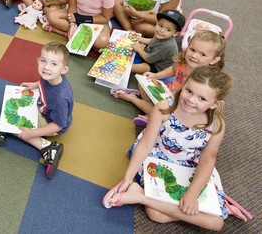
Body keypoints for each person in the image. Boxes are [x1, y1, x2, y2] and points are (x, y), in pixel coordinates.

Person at [103, 66, 249, 230]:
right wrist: (128, 177)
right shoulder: (165, 107)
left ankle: (141, 197)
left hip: (188, 164)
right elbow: (146, 144)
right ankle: (149, 200)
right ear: (184, 84)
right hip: (157, 156)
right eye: (189, 91)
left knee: (216, 224)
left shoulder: (216, 126)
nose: (191, 100)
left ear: (215, 104)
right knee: (155, 215)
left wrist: (192, 194)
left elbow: (208, 160)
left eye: (202, 99)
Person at [0, 42, 73, 180]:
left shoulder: (60, 99)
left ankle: (48, 147)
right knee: (14, 101)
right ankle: (1, 126)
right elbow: (44, 83)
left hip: (52, 124)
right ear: (38, 61)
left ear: (64, 69)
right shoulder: (50, 76)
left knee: (16, 123)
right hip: (45, 111)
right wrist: (35, 85)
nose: (46, 67)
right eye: (43, 61)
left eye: (54, 64)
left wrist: (32, 133)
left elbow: (58, 125)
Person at [113, 30, 226, 120]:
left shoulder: (206, 79)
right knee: (143, 81)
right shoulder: (184, 62)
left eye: (202, 54)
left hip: (181, 105)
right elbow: (172, 70)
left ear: (214, 59)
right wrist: (154, 76)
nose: (194, 56)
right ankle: (150, 109)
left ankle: (133, 99)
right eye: (192, 49)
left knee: (161, 113)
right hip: (168, 91)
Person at [132, 10, 184, 75]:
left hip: (159, 67)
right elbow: (152, 41)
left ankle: (127, 68)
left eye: (168, 30)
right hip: (154, 54)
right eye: (160, 26)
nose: (161, 30)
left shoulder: (166, 46)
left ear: (175, 33)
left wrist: (138, 49)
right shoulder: (162, 35)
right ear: (157, 22)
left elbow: (148, 59)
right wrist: (140, 39)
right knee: (139, 44)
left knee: (140, 67)